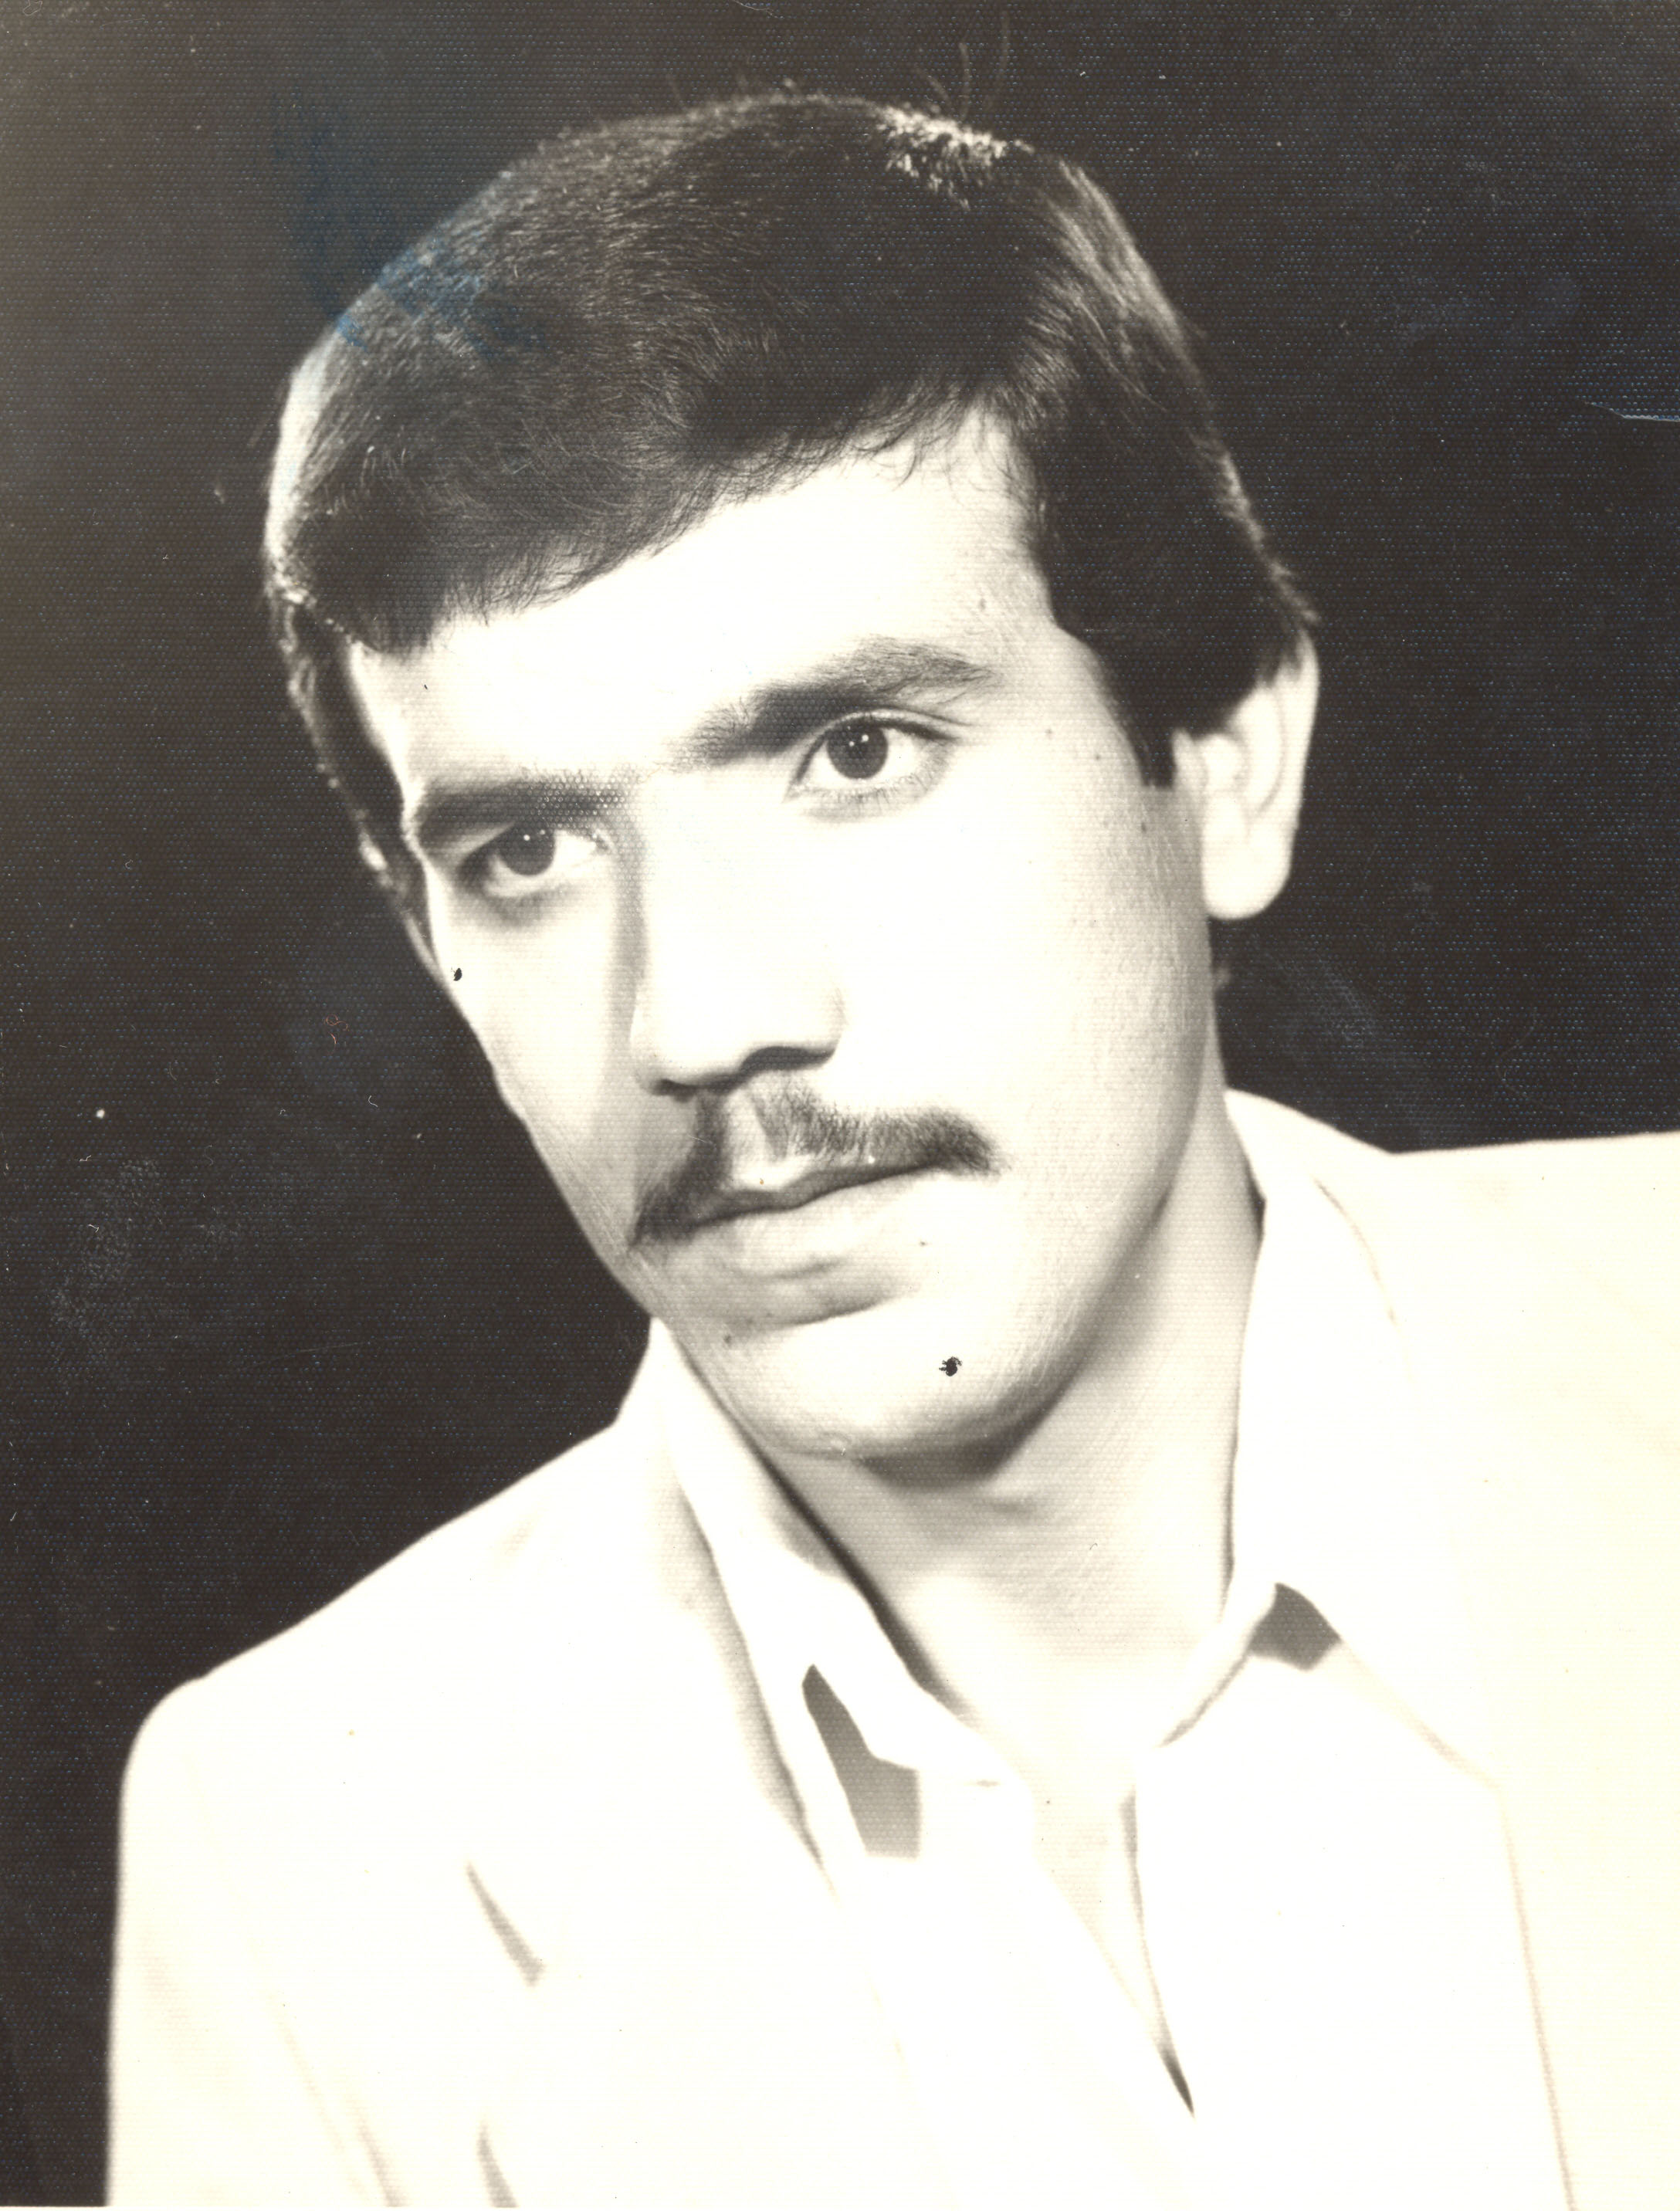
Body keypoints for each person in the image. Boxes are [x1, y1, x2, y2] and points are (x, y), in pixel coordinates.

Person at [107, 93, 1680, 2209]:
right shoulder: (296, 1854)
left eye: (855, 752)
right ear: (431, 947)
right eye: (531, 851)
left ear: (1226, 758)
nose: (697, 1018)